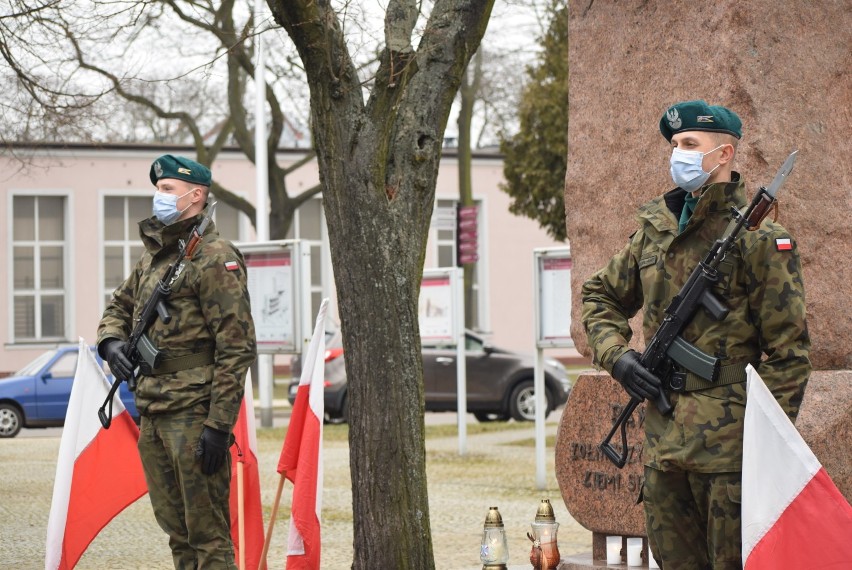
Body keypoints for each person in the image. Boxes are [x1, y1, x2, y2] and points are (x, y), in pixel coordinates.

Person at [581, 100, 811, 569]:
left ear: (724, 155)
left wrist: (762, 446)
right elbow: (599, 296)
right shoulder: (655, 232)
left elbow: (790, 355)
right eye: (674, 145)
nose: (678, 155)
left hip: (729, 457)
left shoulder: (759, 239)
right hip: (664, 449)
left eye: (690, 145)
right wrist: (618, 359)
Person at [97, 154, 257, 568]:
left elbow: (236, 347)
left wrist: (219, 426)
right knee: (176, 531)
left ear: (196, 195)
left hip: (193, 413)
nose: (159, 197)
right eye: (158, 189)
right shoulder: (156, 257)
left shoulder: (215, 256)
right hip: (152, 412)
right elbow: (119, 305)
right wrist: (111, 344)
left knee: (207, 535)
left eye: (167, 190)